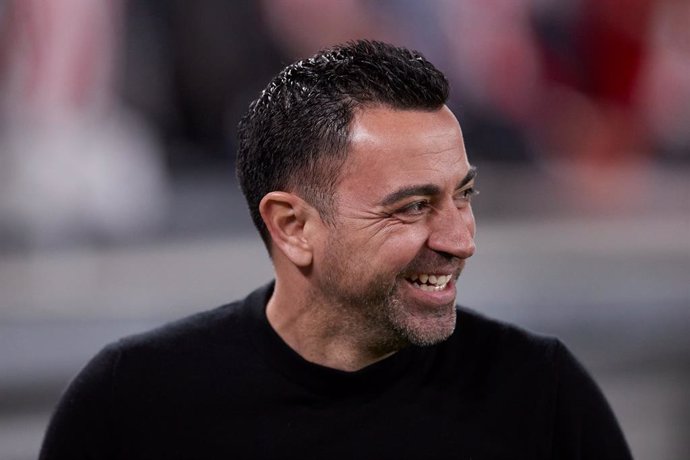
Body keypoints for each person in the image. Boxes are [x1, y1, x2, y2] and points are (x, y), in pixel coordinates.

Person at [40, 40, 632, 459]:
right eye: (412, 207)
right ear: (293, 226)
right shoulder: (130, 404)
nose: (461, 240)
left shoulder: (541, 395)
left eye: (463, 196)